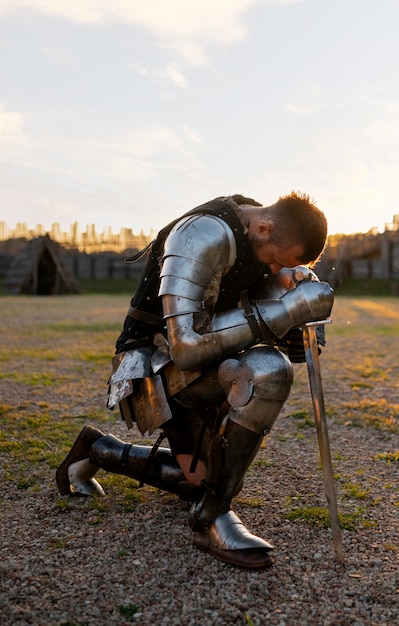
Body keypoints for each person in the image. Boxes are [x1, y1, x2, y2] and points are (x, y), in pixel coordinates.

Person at [56, 192, 334, 569]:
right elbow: (185, 346)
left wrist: (298, 317)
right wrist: (287, 310)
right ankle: (212, 517)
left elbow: (262, 294)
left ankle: (98, 449)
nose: (274, 268)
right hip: (156, 366)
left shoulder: (260, 233)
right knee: (268, 370)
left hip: (209, 360)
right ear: (265, 227)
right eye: (275, 259)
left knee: (199, 480)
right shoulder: (203, 234)